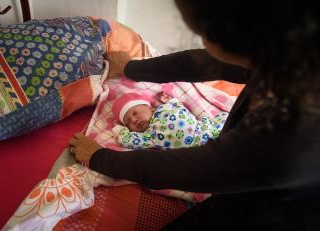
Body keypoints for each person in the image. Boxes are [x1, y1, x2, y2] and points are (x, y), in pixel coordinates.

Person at [69, 0, 320, 230]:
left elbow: (188, 170)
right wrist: (131, 67)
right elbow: (202, 63)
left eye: (200, 33)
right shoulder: (289, 49)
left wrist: (100, 157)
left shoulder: (290, 137)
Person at [111, 92, 227, 149]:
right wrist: (121, 130)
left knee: (225, 117)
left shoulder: (166, 107)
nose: (134, 121)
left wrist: (164, 98)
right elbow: (127, 140)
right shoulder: (148, 136)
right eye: (128, 123)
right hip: (196, 151)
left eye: (135, 113)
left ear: (150, 108)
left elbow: (177, 103)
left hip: (206, 129)